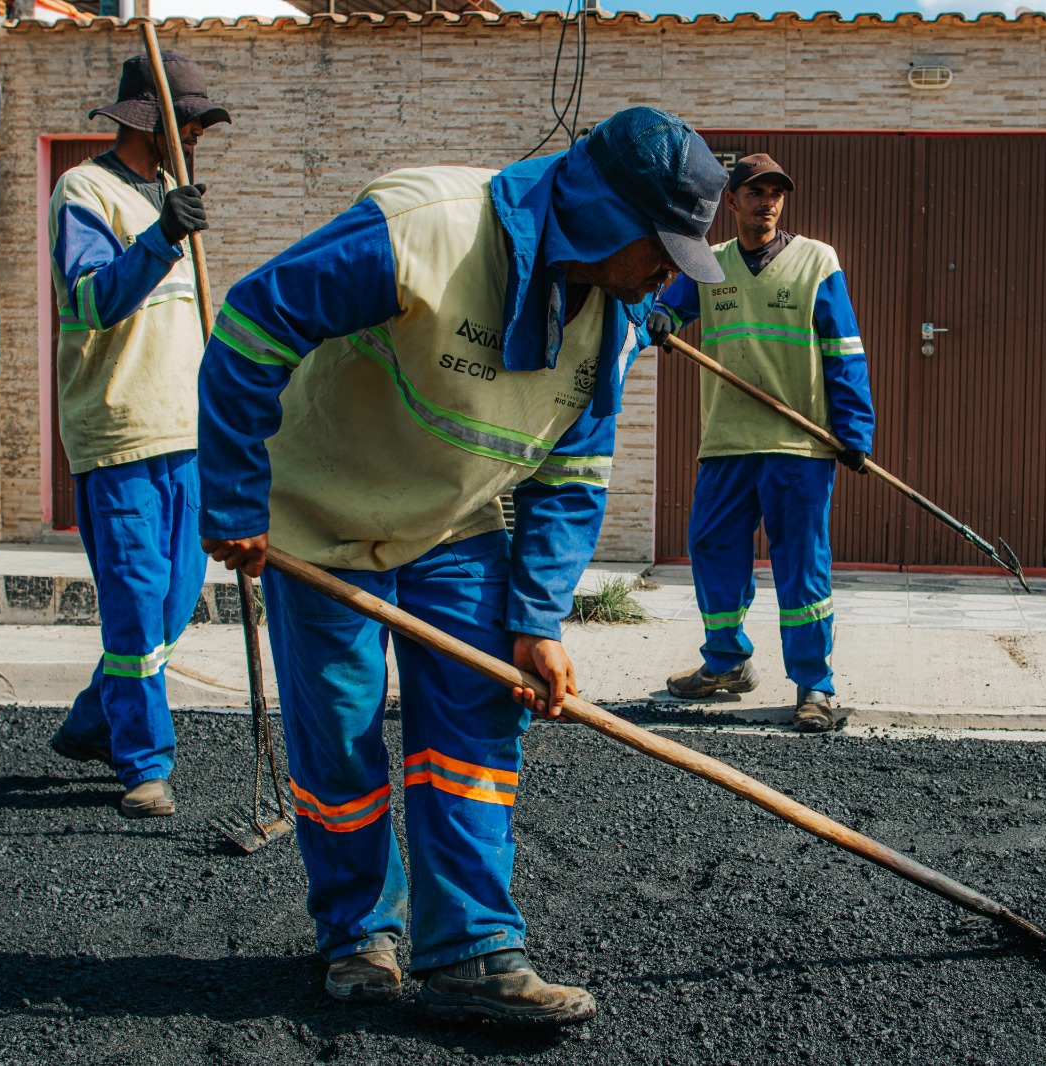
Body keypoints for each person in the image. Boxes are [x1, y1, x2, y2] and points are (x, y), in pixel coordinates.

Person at [196, 108, 727, 1025]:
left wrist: (537, 619)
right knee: (341, 738)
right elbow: (252, 322)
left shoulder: (615, 320)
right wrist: (237, 495)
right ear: (602, 217)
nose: (670, 274)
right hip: (320, 519)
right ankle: (359, 932)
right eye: (663, 248)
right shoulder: (423, 229)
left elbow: (572, 477)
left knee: (477, 722)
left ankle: (472, 949)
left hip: (453, 526)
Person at [46, 53, 229, 817]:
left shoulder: (173, 202)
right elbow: (93, 302)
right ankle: (144, 764)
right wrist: (160, 237)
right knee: (135, 606)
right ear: (152, 125)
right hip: (118, 436)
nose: (199, 134)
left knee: (173, 608)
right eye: (189, 124)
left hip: (186, 435)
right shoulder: (83, 190)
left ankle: (94, 721)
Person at [649, 154, 875, 734]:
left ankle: (814, 686)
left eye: (776, 193)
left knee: (801, 565)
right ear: (732, 201)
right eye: (755, 192)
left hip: (798, 444)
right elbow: (668, 306)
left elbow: (844, 349)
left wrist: (854, 431)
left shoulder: (817, 261)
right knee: (711, 548)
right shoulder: (710, 263)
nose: (767, 202)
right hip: (727, 440)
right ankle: (726, 662)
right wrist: (662, 316)